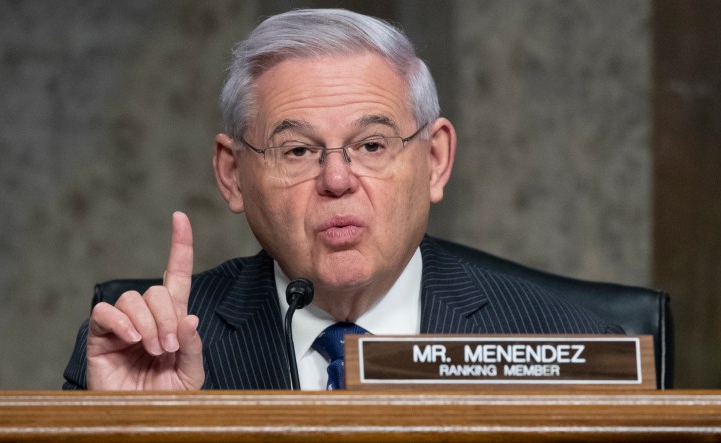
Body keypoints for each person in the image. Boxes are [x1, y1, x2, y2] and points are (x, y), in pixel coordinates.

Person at [63, 8, 621, 391]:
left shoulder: (567, 348)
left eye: (372, 144)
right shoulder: (140, 350)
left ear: (435, 160)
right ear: (233, 175)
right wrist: (139, 431)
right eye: (299, 150)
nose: (336, 180)